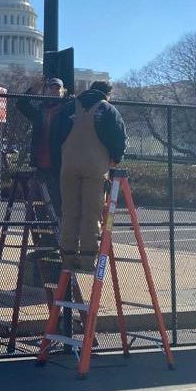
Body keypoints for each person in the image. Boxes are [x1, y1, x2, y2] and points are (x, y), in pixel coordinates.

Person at [56, 80, 127, 272]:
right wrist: (116, 158)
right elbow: (118, 138)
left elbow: (56, 134)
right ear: (107, 93)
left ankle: (68, 256)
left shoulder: (70, 107)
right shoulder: (107, 110)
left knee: (69, 211)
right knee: (91, 212)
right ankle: (87, 258)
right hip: (95, 166)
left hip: (68, 165)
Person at [15, 77, 66, 218]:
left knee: (57, 201)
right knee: (40, 203)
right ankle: (45, 238)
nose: (54, 91)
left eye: (57, 89)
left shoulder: (66, 110)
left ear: (62, 92)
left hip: (58, 164)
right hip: (40, 164)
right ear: (46, 90)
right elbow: (21, 104)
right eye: (51, 88)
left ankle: (57, 236)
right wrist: (34, 89)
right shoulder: (39, 111)